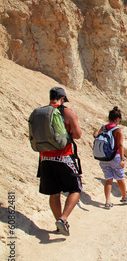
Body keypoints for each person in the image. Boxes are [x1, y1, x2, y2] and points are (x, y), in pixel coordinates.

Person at [39, 87, 82, 236]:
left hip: (44, 158)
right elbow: (77, 135)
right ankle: (63, 219)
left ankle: (58, 224)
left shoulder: (42, 112)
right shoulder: (67, 112)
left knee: (54, 192)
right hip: (63, 156)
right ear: (62, 98)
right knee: (76, 189)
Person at [96, 107, 127, 209]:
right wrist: (122, 159)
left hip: (103, 158)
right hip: (115, 157)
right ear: (117, 119)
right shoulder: (118, 130)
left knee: (108, 179)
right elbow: (120, 145)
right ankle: (124, 197)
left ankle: (107, 201)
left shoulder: (102, 128)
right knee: (120, 179)